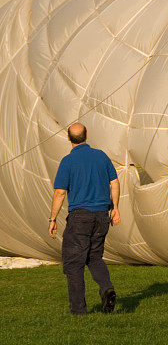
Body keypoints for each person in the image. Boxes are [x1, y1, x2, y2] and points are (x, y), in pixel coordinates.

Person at [48, 122, 121, 315]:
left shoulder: (68, 161)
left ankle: (78, 311)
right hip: (101, 217)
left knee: (74, 263)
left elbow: (60, 193)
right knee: (94, 257)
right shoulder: (101, 157)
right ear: (86, 136)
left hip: (80, 218)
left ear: (68, 138)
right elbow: (114, 182)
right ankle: (107, 288)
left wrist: (52, 218)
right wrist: (116, 208)